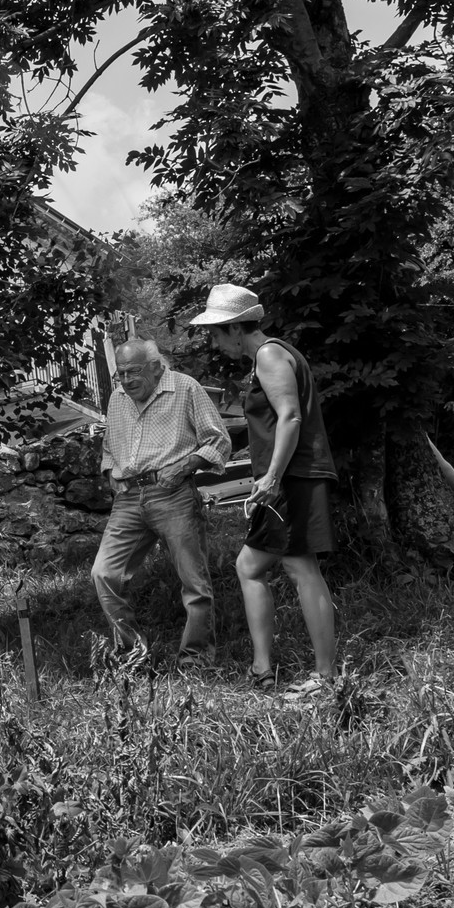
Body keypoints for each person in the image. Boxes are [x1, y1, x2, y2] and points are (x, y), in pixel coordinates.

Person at [189, 284, 338, 694]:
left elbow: (290, 417)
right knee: (259, 566)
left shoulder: (270, 354)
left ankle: (320, 677)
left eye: (217, 333)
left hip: (292, 477)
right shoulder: (267, 357)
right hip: (287, 476)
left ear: (237, 328)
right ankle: (264, 668)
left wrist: (271, 477)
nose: (216, 343)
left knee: (297, 567)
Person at [91, 338, 233, 666]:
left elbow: (218, 440)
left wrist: (183, 467)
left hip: (174, 495)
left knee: (193, 582)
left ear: (156, 367)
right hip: (128, 499)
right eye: (121, 374)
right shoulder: (117, 399)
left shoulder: (185, 388)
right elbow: (110, 447)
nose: (126, 381)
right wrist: (111, 472)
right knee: (104, 574)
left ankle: (195, 659)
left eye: (133, 372)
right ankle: (132, 654)